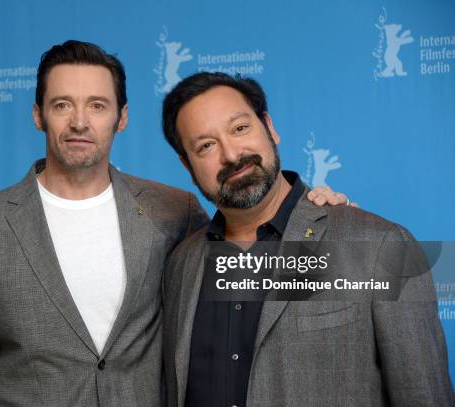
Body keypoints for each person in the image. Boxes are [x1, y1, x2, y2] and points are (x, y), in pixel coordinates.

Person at [0, 41, 350, 406]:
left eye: (97, 105)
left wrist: (311, 206)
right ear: (38, 115)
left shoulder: (177, 210)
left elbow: (251, 244)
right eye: (62, 105)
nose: (80, 121)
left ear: (122, 118)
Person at [161, 72, 454, 407]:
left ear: (269, 127)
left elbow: (423, 395)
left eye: (240, 128)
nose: (231, 154)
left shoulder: (375, 245)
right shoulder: (181, 264)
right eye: (206, 146)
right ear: (187, 164)